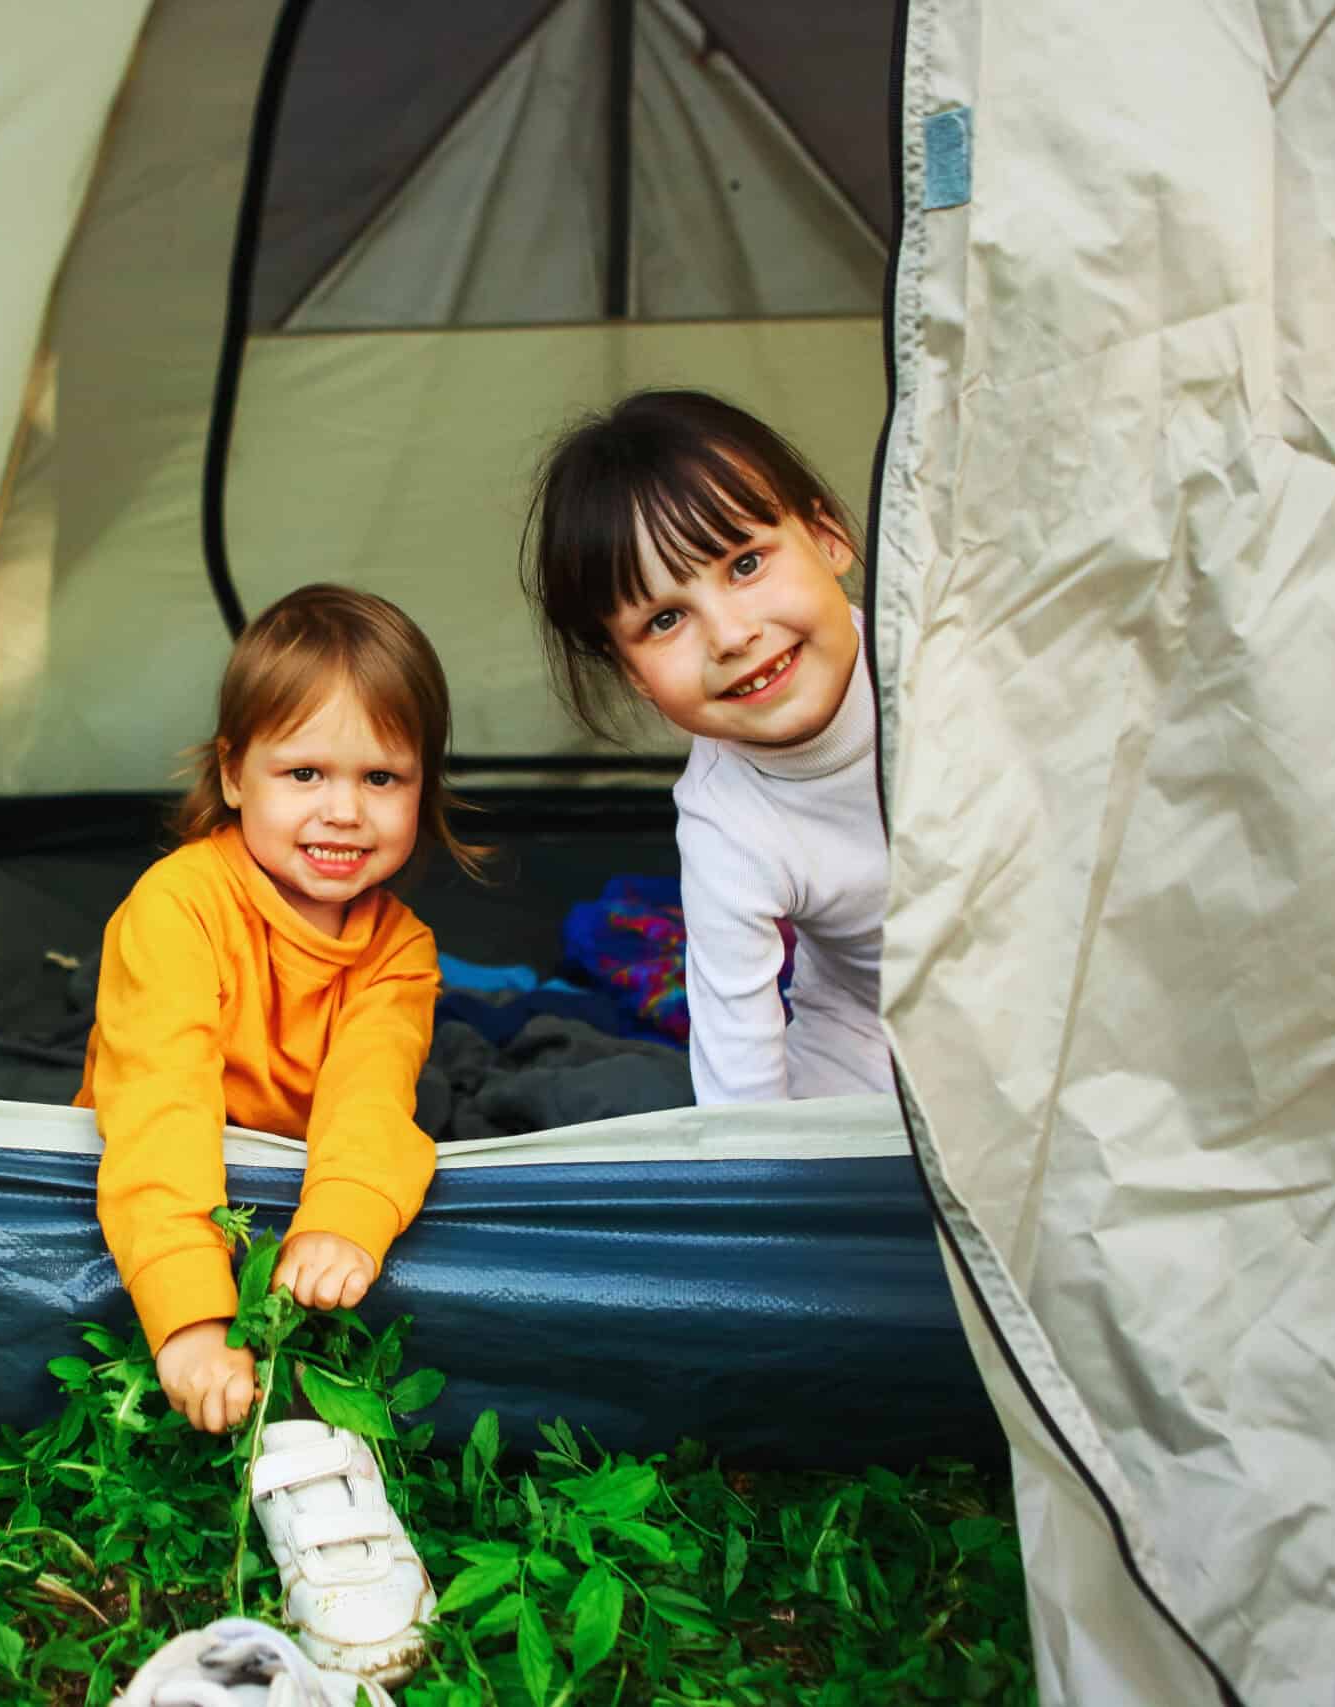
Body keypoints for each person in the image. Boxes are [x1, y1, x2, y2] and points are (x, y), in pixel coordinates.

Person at [79, 583, 485, 1685]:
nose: (343, 812)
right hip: (187, 1177)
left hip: (294, 1177)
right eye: (304, 774)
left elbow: (369, 1099)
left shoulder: (399, 946)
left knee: (381, 1181)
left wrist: (347, 1218)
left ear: (422, 790)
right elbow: (159, 1111)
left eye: (381, 779)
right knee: (161, 1139)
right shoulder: (179, 906)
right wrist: (190, 1322)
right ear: (232, 774)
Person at [524, 389, 895, 1106]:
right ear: (634, 674)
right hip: (876, 1024)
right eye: (666, 618)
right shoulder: (725, 821)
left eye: (747, 564)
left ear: (829, 538)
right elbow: (740, 1095)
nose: (730, 635)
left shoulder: (949, 652)